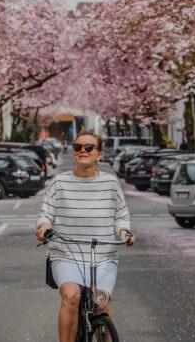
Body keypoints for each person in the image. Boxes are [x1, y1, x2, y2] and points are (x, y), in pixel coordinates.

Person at [35, 130, 136, 342]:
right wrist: (43, 227)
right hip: (66, 254)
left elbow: (121, 215)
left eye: (89, 147)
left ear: (99, 154)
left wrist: (125, 233)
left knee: (100, 303)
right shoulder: (59, 182)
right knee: (71, 296)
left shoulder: (110, 183)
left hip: (103, 256)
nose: (83, 151)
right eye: (78, 147)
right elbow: (46, 213)